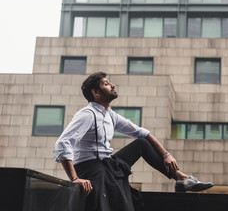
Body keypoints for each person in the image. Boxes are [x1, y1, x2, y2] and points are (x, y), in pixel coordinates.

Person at [54, 72, 213, 211]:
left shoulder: (109, 114)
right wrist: (74, 179)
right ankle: (182, 180)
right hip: (91, 169)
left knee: (142, 143)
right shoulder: (87, 114)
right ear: (95, 92)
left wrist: (166, 154)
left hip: (107, 164)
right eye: (106, 84)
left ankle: (181, 179)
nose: (112, 85)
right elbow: (63, 143)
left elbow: (140, 132)